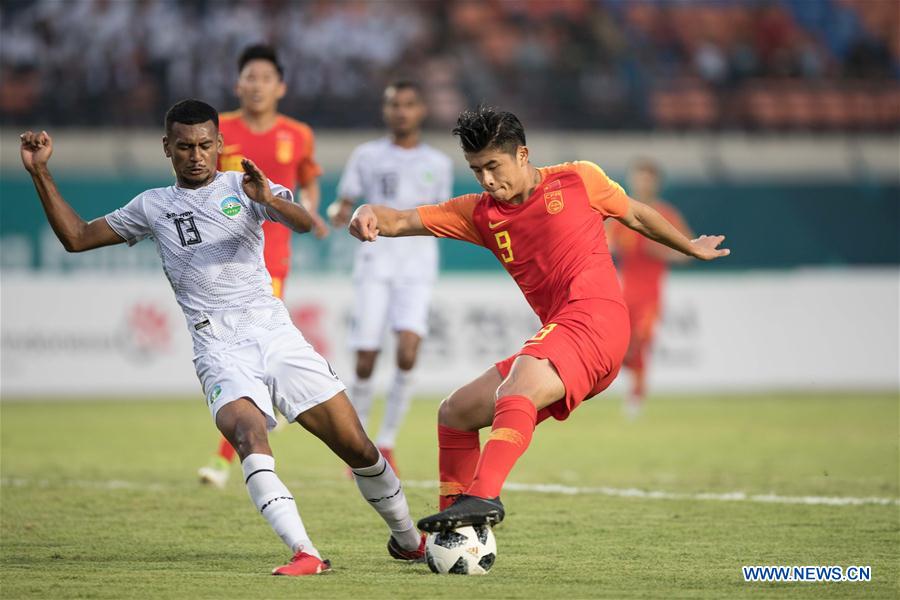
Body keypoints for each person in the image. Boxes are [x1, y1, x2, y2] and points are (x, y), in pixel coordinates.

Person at [19, 99, 425, 576]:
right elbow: (77, 237)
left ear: (220, 145)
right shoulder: (152, 206)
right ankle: (305, 552)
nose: (196, 155)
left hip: (273, 332)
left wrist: (269, 199)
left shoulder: (244, 185)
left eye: (205, 145)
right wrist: (40, 173)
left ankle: (408, 540)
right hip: (218, 346)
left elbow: (307, 224)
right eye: (185, 146)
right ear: (167, 148)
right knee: (246, 432)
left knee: (357, 447)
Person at [347, 106, 729, 532]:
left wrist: (689, 247)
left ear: (522, 155)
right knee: (456, 412)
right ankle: (452, 532)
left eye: (494, 166)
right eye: (477, 171)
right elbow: (401, 219)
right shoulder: (478, 214)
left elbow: (636, 214)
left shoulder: (578, 179)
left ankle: (484, 496)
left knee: (519, 381)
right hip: (566, 340)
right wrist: (366, 211)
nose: (488, 181)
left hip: (598, 322)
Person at [198, 44, 329, 489]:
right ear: (238, 84)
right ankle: (271, 409)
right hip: (219, 257)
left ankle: (222, 459)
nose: (256, 85)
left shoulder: (298, 134)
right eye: (249, 77)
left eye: (265, 78)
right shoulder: (218, 132)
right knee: (233, 352)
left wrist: (312, 210)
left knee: (246, 351)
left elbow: (309, 177)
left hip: (269, 257)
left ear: (281, 86)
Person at [327, 81, 453, 474]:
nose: (401, 111)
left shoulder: (439, 163)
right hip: (374, 263)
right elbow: (344, 203)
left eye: (409, 104)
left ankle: (388, 441)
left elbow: (443, 217)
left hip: (416, 266)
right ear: (386, 111)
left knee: (408, 350)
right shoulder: (366, 156)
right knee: (365, 358)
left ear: (421, 111)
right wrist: (338, 213)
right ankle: (358, 442)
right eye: (394, 104)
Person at [606, 159, 693, 419]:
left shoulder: (667, 214)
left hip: (650, 295)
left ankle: (636, 397)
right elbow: (606, 244)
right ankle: (628, 388)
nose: (642, 183)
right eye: (638, 177)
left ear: (656, 182)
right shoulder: (621, 212)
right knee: (619, 347)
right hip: (624, 293)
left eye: (647, 178)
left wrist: (662, 251)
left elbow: (688, 251)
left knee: (641, 343)